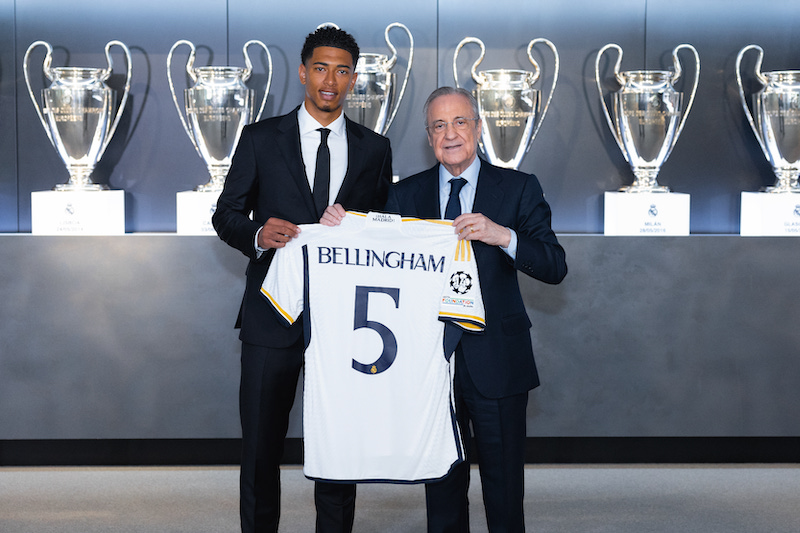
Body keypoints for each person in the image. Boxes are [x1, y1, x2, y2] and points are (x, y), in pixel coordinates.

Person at [212, 26, 393, 533]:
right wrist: (257, 233)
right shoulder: (260, 138)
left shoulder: (375, 149)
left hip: (345, 323)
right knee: (260, 447)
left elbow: (384, 226)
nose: (329, 81)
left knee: (337, 448)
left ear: (353, 79)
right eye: (320, 68)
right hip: (272, 315)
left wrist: (363, 227)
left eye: (341, 71)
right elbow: (225, 215)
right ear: (302, 72)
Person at [383, 86, 567, 533]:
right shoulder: (405, 196)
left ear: (479, 128)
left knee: (503, 492)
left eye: (460, 122)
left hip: (498, 360)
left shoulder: (519, 188)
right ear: (429, 137)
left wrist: (503, 236)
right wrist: (337, 226)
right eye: (439, 125)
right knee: (442, 490)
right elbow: (379, 261)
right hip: (431, 366)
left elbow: (554, 265)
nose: (450, 134)